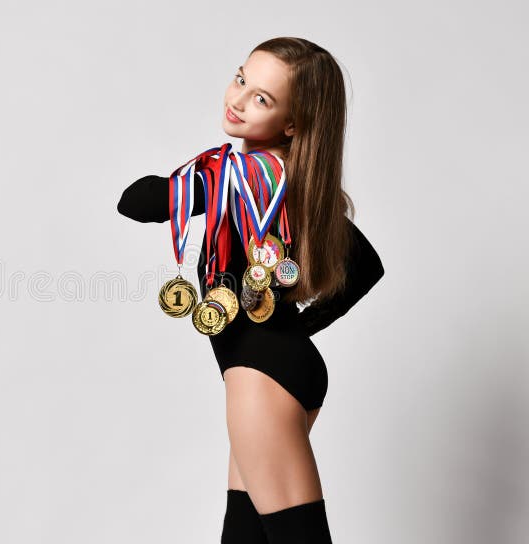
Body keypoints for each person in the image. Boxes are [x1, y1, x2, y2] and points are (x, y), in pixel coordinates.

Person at [117, 37, 385, 543]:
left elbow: (136, 201)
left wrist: (195, 175)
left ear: (292, 125)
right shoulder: (300, 185)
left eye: (261, 98)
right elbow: (366, 267)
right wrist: (296, 329)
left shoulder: (229, 177)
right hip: (284, 369)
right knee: (244, 537)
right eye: (241, 79)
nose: (237, 100)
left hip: (262, 379)